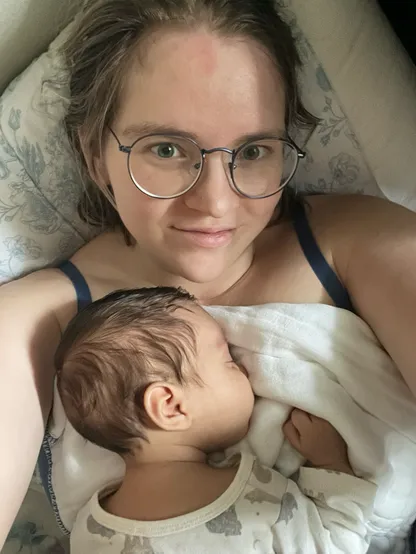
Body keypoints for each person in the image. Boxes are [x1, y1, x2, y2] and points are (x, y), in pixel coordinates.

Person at [1, 0, 416, 548]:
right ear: (95, 155)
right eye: (168, 148)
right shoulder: (35, 320)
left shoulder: (359, 242)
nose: (216, 203)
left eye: (253, 150)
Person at [56, 286, 376, 553]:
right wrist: (331, 464)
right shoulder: (260, 500)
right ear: (170, 405)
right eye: (229, 360)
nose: (246, 369)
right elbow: (341, 545)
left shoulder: (88, 530)